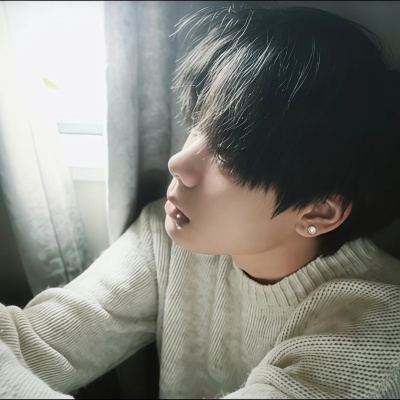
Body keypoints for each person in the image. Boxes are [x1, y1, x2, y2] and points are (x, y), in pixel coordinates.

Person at [1, 3, 400, 398]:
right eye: (198, 125)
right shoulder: (167, 235)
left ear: (319, 211)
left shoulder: (376, 327)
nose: (178, 163)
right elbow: (28, 341)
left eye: (228, 154)